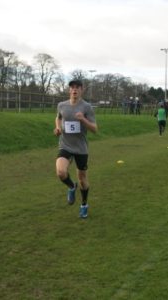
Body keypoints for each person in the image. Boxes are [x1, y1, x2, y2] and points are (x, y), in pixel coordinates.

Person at [54, 80, 98, 219]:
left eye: (77, 88)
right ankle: (72, 186)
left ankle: (84, 205)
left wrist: (83, 120)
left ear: (81, 90)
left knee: (83, 179)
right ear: (69, 90)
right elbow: (59, 117)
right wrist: (58, 128)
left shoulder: (87, 107)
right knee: (61, 172)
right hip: (65, 145)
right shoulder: (62, 105)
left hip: (80, 148)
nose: (74, 90)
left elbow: (95, 129)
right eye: (72, 88)